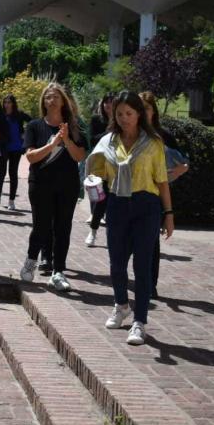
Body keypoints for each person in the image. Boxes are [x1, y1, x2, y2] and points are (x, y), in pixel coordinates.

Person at [87, 91, 173, 345]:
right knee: (116, 263)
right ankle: (121, 304)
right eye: (120, 113)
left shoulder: (153, 143)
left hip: (147, 205)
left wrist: (168, 214)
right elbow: (97, 173)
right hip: (117, 204)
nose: (124, 118)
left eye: (129, 113)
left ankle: (140, 321)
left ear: (139, 114)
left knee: (142, 265)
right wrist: (91, 181)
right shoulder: (108, 142)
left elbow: (162, 181)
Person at [19, 83, 87, 291]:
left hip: (67, 185)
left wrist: (66, 138)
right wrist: (52, 144)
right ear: (44, 102)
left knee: (63, 228)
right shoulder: (34, 126)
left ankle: (59, 272)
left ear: (63, 100)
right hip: (41, 183)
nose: (52, 99)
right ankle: (31, 261)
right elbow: (31, 156)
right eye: (48, 96)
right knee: (41, 225)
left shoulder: (74, 127)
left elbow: (79, 156)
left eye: (56, 96)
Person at [140, 91, 188, 299]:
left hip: (157, 193)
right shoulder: (130, 132)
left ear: (153, 111)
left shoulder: (163, 134)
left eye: (147, 108)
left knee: (151, 240)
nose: (143, 113)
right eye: (139, 108)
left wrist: (180, 170)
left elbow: (184, 160)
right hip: (132, 192)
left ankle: (150, 284)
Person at [84, 92, 115, 247]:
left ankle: (113, 236)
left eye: (111, 102)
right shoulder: (97, 120)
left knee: (114, 203)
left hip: (117, 167)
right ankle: (93, 232)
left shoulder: (121, 120)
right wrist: (109, 132)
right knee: (100, 201)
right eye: (106, 102)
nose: (108, 105)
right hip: (99, 166)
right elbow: (92, 139)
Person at [2, 94, 31, 211]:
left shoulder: (19, 114)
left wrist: (25, 136)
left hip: (16, 148)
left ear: (13, 103)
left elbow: (33, 122)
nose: (7, 104)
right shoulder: (1, 115)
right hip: (3, 148)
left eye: (9, 102)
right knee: (1, 173)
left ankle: (11, 201)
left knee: (13, 173)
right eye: (5, 102)